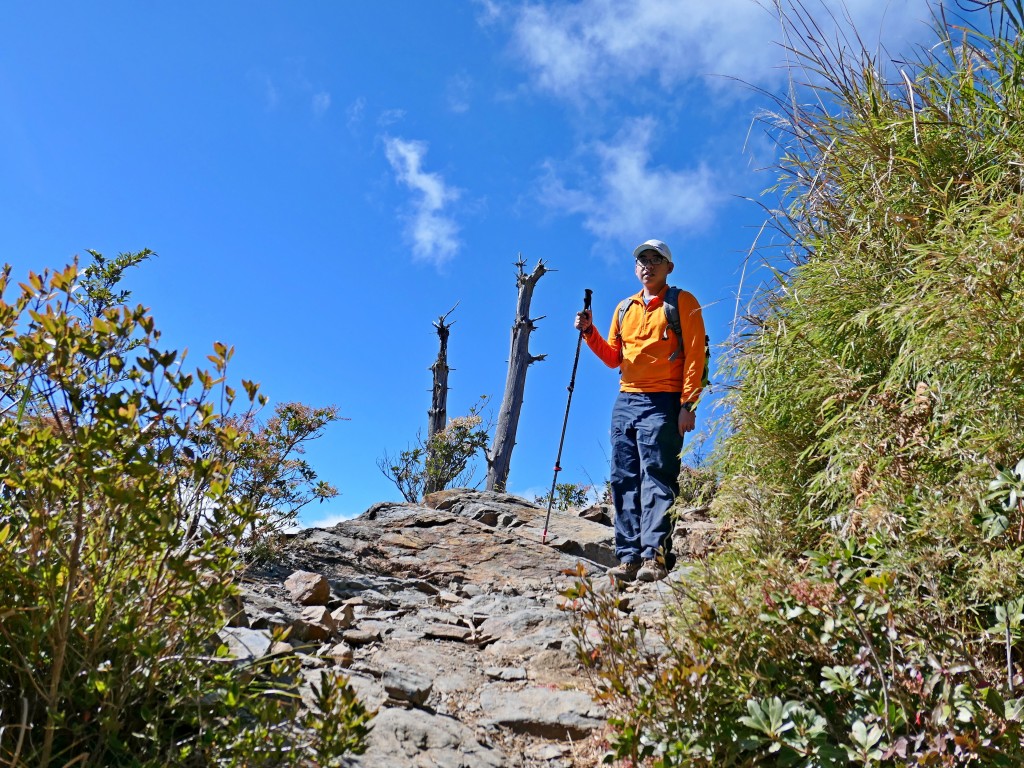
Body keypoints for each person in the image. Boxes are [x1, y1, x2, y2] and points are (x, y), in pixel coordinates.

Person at [574, 239, 706, 582]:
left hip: (664, 401)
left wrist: (688, 404)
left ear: (669, 267)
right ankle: (629, 556)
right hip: (626, 401)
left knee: (658, 476)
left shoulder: (682, 302)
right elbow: (614, 359)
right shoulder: (624, 308)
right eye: (642, 260)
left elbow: (696, 356)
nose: (648, 265)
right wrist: (590, 333)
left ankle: (655, 557)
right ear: (636, 268)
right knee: (623, 478)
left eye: (655, 259)